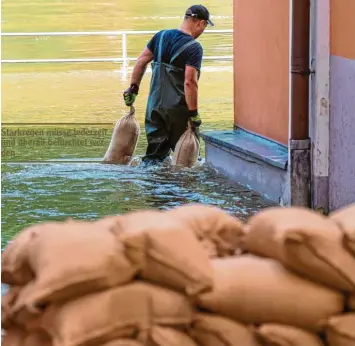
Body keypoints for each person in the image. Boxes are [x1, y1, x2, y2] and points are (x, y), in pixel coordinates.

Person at [123, 5, 214, 164]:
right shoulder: (194, 47)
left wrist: (133, 88)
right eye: (205, 27)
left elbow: (141, 61)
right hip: (178, 111)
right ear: (200, 23)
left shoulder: (161, 36)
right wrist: (193, 114)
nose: (202, 31)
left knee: (154, 159)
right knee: (188, 161)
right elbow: (190, 82)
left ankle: (152, 186)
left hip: (154, 108)